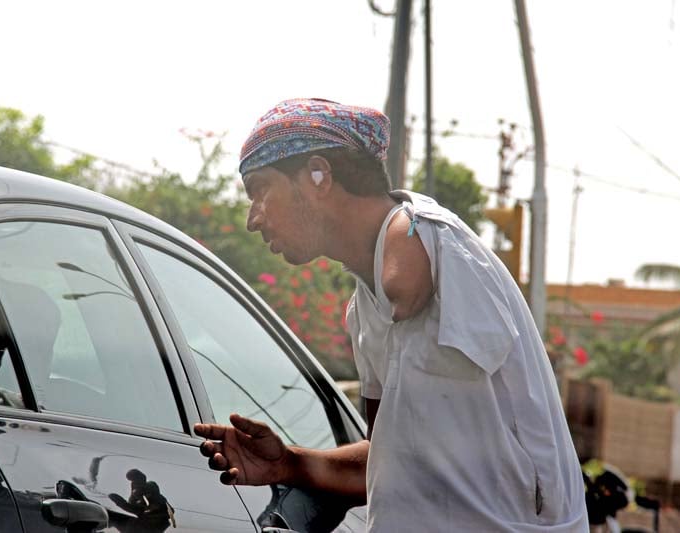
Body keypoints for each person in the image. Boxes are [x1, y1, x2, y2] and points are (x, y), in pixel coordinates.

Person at [194, 98, 587, 531]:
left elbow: (406, 268)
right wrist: (289, 463)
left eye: (261, 190)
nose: (253, 218)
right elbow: (387, 458)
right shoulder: (363, 311)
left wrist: (395, 235)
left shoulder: (433, 237)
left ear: (318, 174)